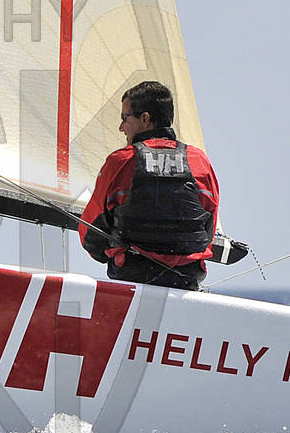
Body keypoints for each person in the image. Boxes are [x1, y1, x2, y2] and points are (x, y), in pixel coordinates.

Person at [79, 80, 221, 290]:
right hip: (186, 279)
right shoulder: (199, 160)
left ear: (145, 118)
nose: (121, 127)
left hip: (131, 277)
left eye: (124, 118)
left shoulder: (122, 161)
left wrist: (107, 254)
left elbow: (90, 231)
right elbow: (210, 224)